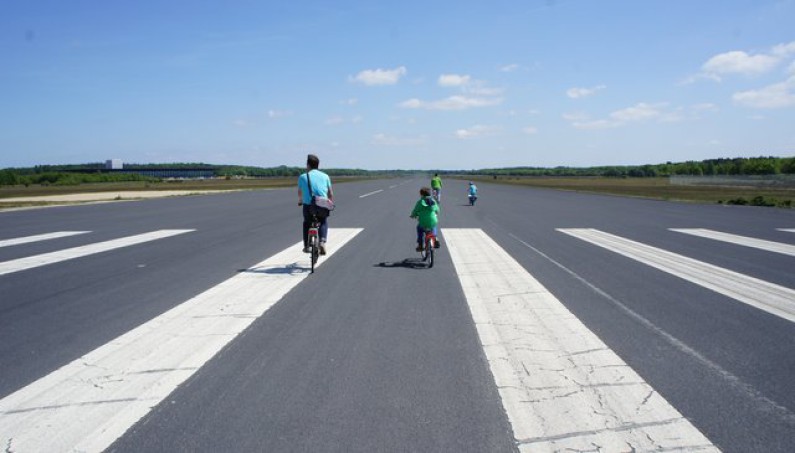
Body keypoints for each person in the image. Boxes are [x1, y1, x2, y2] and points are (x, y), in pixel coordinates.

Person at [298, 154, 333, 255]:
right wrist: (330, 202)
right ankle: (322, 241)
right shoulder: (325, 176)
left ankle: (306, 245)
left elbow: (300, 193)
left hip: (308, 206)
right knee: (323, 221)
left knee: (306, 223)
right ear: (318, 165)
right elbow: (331, 193)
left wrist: (300, 201)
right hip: (322, 204)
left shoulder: (302, 177)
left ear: (308, 165)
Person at [410, 187, 441, 252]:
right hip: (433, 220)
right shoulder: (433, 201)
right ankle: (435, 238)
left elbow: (415, 211)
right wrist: (435, 213)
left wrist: (412, 215)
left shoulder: (420, 202)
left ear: (422, 194)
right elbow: (437, 210)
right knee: (433, 226)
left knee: (419, 228)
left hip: (423, 222)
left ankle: (420, 245)